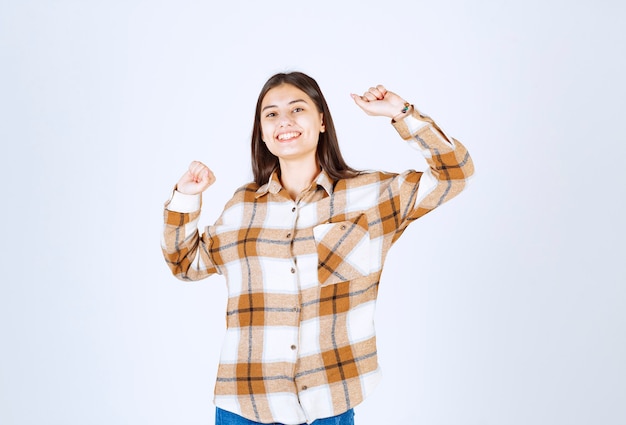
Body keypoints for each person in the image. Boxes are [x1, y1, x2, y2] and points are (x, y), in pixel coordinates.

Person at [161, 71, 474, 425]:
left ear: (322, 120)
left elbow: (456, 174)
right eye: (272, 114)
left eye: (298, 109)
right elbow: (185, 263)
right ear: (263, 133)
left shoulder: (370, 195)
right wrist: (186, 198)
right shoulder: (242, 207)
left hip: (329, 402)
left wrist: (401, 113)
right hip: (244, 406)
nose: (285, 121)